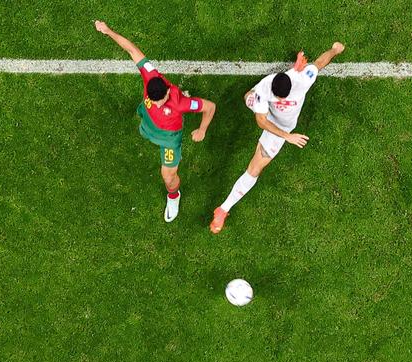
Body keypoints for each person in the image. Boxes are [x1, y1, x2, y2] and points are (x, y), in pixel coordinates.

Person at [210, 43, 345, 233]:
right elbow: (262, 122)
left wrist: (334, 50)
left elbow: (320, 62)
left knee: (255, 168)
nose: (281, 101)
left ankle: (223, 209)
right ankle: (224, 209)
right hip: (271, 120)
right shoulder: (265, 90)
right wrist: (287, 137)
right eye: (278, 98)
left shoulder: (302, 78)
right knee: (249, 97)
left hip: (282, 123)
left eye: (284, 98)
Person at [95, 20, 217, 222]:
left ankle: (173, 196)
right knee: (145, 122)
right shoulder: (149, 74)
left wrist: (202, 129)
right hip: (148, 124)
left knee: (168, 178)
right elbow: (132, 49)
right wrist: (108, 31)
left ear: (168, 91)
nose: (158, 105)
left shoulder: (181, 103)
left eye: (161, 102)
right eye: (155, 102)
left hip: (169, 139)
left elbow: (210, 106)